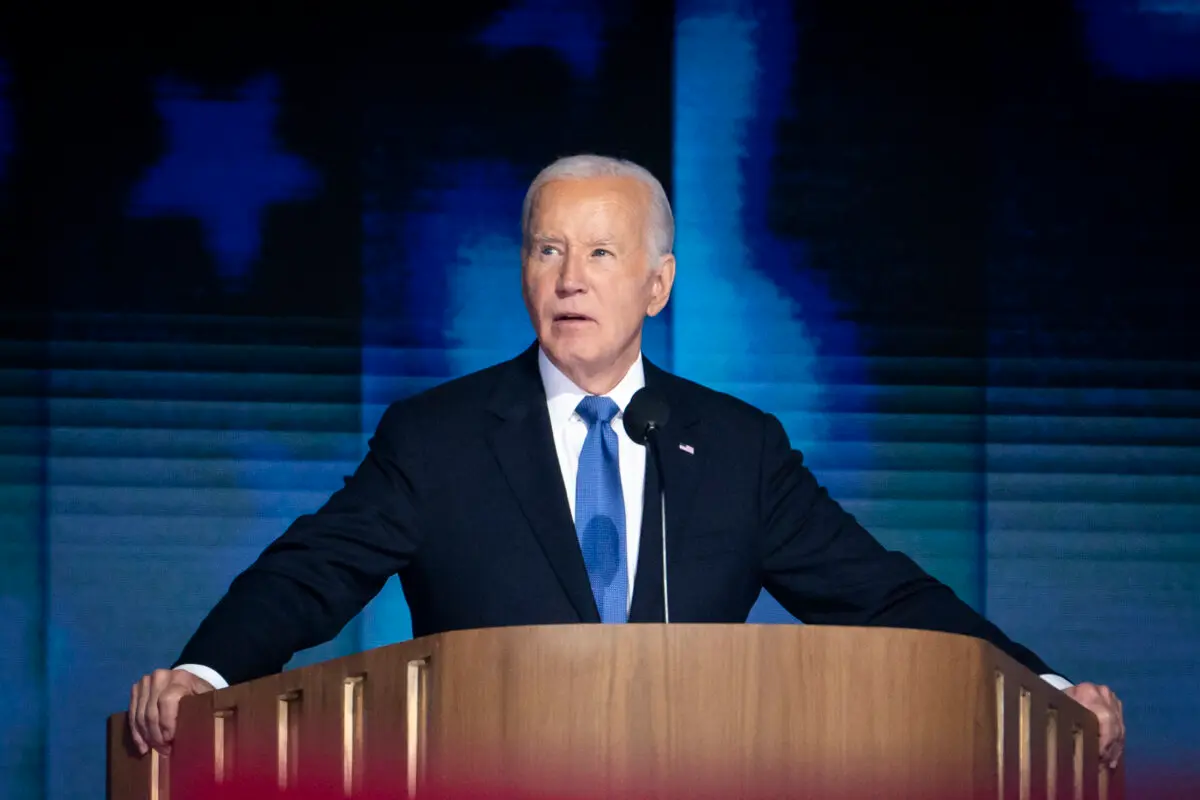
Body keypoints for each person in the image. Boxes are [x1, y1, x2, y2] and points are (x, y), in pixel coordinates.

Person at [129, 153, 1124, 766]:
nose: (569, 279)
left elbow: (885, 596)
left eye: (601, 253)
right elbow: (313, 571)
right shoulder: (437, 436)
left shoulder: (738, 448)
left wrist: (1046, 686)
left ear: (658, 283)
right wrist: (204, 670)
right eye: (546, 250)